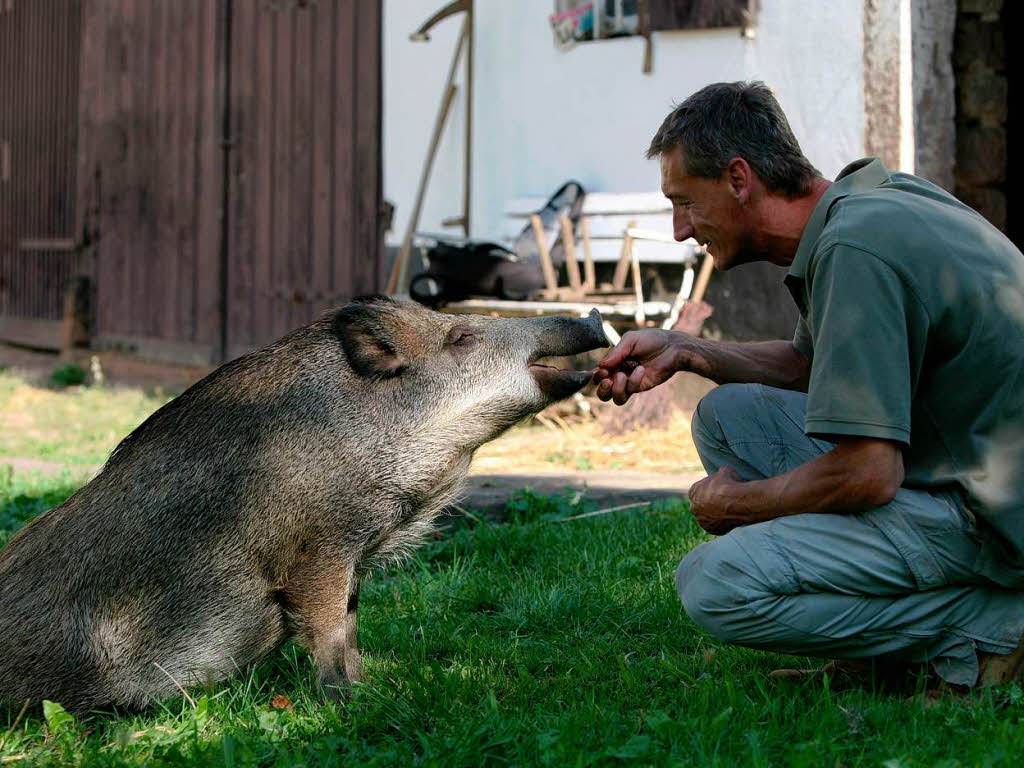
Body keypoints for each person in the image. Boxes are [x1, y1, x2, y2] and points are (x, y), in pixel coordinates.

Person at [594, 81, 1024, 689]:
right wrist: (685, 349)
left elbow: (868, 474)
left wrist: (733, 504)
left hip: (994, 521)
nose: (680, 231)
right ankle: (880, 640)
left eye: (685, 202)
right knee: (726, 416)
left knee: (715, 585)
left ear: (739, 180)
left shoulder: (853, 249)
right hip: (974, 471)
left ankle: (991, 626)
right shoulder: (870, 202)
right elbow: (810, 364)